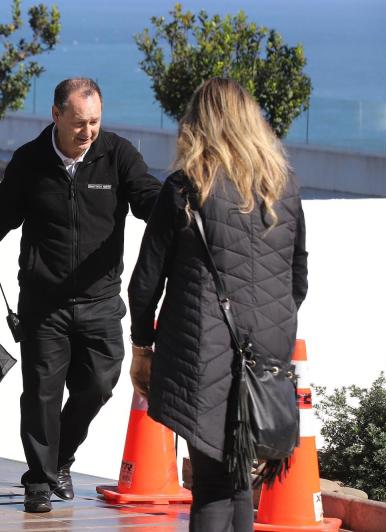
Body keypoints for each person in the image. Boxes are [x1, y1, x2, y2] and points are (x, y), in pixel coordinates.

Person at [0, 78, 161, 513]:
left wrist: (181, 210)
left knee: (99, 385)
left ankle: (60, 456)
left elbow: (148, 201)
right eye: (79, 122)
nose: (88, 132)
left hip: (101, 300)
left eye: (95, 122)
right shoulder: (30, 161)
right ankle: (40, 480)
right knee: (42, 393)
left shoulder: (117, 155)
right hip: (43, 303)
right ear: (56, 115)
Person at [128, 78, 308, 531]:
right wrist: (269, 326)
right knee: (240, 481)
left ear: (198, 125)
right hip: (265, 353)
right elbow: (297, 279)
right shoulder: (282, 189)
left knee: (211, 482)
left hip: (199, 352)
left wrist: (142, 348)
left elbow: (145, 282)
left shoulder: (187, 187)